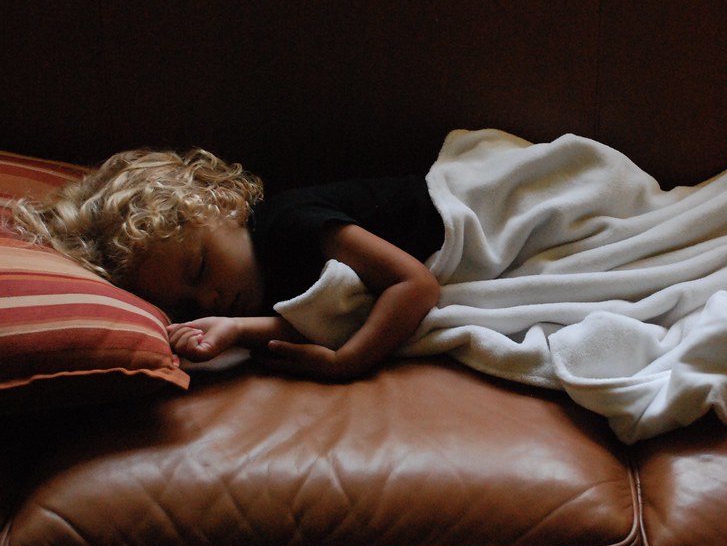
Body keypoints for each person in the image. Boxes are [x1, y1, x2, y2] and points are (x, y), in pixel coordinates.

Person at [5, 148, 442, 381]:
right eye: (189, 304)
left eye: (199, 270)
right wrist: (235, 330)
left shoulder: (291, 226)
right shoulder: (247, 285)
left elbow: (415, 284)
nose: (210, 297)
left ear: (224, 203)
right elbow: (327, 316)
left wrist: (347, 362)